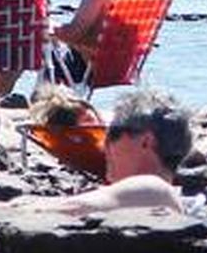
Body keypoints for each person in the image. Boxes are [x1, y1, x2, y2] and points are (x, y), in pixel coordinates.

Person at [23, 88, 195, 215]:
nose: (105, 145)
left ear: (146, 141)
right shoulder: (178, 202)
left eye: (113, 133)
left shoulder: (156, 189)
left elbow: (63, 210)